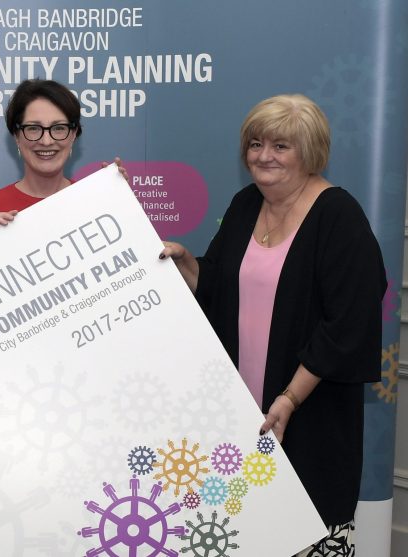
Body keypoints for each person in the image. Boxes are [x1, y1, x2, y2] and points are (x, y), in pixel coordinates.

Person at [161, 94, 386, 557]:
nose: (264, 156)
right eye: (256, 143)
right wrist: (187, 265)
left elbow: (348, 323)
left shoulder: (338, 216)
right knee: (236, 534)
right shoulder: (246, 204)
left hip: (308, 417)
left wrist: (289, 398)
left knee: (305, 533)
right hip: (237, 418)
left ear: (310, 151)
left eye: (281, 146)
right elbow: (220, 285)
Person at [0, 78, 127, 239]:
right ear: (17, 136)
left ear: (73, 134)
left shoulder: (95, 203)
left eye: (59, 128)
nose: (46, 141)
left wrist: (119, 204)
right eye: (33, 128)